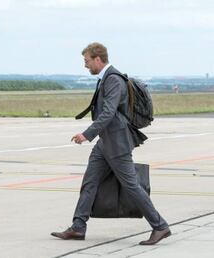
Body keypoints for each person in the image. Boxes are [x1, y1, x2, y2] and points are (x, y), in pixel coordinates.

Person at [51, 42, 170, 245]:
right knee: (90, 182)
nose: (85, 65)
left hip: (117, 143)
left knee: (131, 185)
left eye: (87, 61)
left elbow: (108, 113)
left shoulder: (113, 79)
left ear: (98, 59)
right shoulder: (105, 78)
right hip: (105, 142)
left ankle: (160, 226)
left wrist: (86, 135)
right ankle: (78, 227)